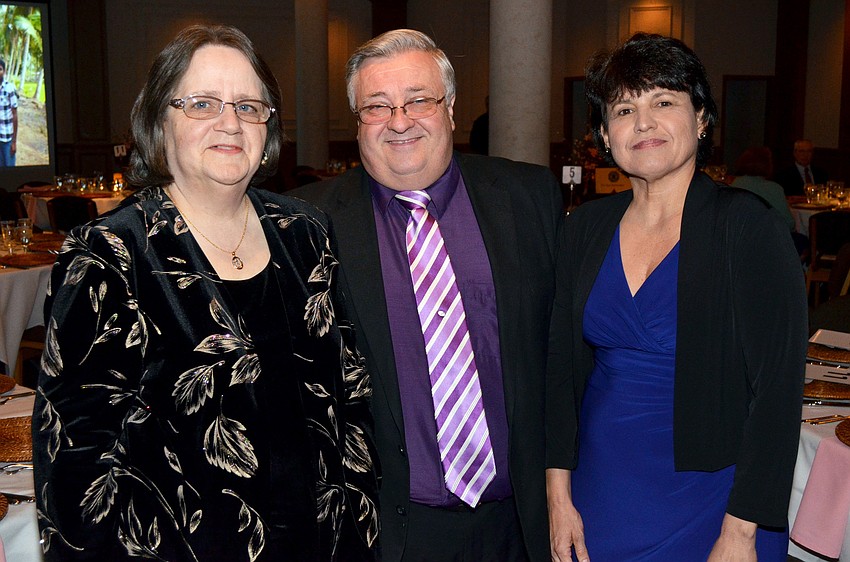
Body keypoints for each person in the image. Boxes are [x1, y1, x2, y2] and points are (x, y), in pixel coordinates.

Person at [32, 24, 378, 561]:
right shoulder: (110, 255)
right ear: (158, 122)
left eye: (248, 105)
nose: (230, 122)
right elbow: (78, 466)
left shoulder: (306, 233)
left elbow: (351, 398)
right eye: (202, 103)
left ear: (269, 127)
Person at [294, 29, 562, 561]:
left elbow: (566, 357)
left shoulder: (531, 197)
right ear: (357, 121)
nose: (399, 120)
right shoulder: (306, 224)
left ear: (452, 109)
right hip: (390, 532)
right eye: (377, 106)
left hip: (523, 523)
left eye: (419, 99)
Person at [546, 33, 807, 561]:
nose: (643, 123)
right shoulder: (585, 228)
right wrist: (557, 497)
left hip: (714, 499)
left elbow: (778, 392)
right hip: (601, 491)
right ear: (603, 133)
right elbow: (560, 370)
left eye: (663, 101)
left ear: (702, 117)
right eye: (624, 108)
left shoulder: (747, 227)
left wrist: (740, 533)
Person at [0, 59, 18, 167]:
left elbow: (15, 115)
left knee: (10, 170)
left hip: (7, 139)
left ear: (4, 71)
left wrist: (14, 142)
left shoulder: (9, 88)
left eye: (0, 69)